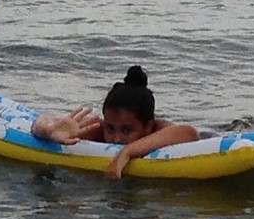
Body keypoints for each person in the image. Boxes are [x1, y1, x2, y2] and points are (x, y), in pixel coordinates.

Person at [30, 66, 199, 179]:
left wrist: (127, 152)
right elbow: (40, 121)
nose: (116, 138)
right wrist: (48, 131)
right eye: (110, 128)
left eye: (126, 131)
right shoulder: (97, 128)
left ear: (147, 126)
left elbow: (190, 133)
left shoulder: (158, 129)